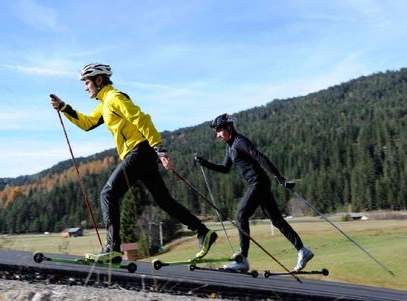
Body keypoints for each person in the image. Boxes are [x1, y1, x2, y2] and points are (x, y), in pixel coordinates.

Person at [50, 63, 216, 263]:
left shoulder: (114, 97)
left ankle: (113, 248)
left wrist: (159, 149)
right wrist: (64, 108)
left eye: (87, 82)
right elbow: (87, 124)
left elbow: (142, 119)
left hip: (139, 151)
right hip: (141, 153)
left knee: (108, 193)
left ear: (99, 80)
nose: (85, 87)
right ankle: (203, 231)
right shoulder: (104, 103)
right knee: (164, 200)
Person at [194, 113, 314, 272]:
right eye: (216, 132)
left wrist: (279, 176)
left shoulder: (240, 142)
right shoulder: (230, 146)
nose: (218, 135)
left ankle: (242, 259)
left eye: (219, 131)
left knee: (240, 215)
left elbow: (260, 157)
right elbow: (225, 168)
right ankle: (302, 250)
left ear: (229, 127)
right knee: (277, 220)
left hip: (258, 182)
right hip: (259, 183)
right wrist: (205, 163)